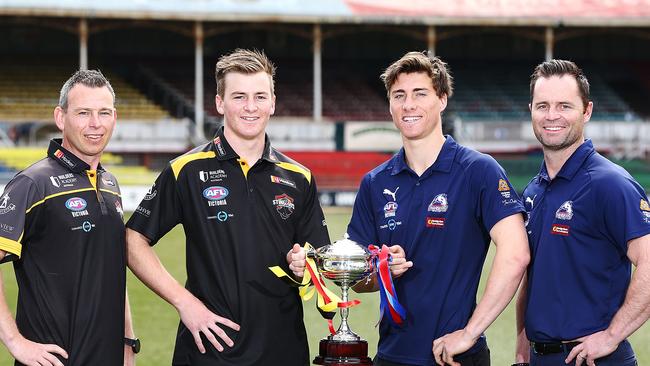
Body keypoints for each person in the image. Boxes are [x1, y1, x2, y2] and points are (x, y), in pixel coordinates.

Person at [292, 51, 530, 365]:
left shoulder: (478, 171)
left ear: (442, 99)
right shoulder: (374, 183)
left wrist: (471, 332)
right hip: (391, 356)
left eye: (420, 94)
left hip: (457, 355)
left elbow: (516, 254)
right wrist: (380, 271)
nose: (409, 105)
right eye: (399, 95)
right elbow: (361, 280)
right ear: (390, 104)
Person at [125, 48, 330, 365]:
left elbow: (321, 260)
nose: (251, 107)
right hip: (208, 351)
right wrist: (184, 303)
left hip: (282, 351)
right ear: (220, 103)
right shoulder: (187, 170)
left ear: (272, 103)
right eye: (239, 97)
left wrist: (306, 263)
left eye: (260, 96)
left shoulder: (299, 177)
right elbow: (133, 239)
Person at [514, 60, 650, 366]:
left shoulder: (610, 184)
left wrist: (612, 336)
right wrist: (522, 347)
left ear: (586, 111)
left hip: (594, 359)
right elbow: (533, 279)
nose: (552, 116)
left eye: (564, 105)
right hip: (539, 358)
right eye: (542, 105)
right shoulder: (534, 191)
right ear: (531, 110)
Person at [0, 70, 136, 365]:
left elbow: (112, 266)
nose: (95, 124)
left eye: (104, 113)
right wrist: (15, 342)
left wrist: (128, 340)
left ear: (115, 118)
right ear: (61, 118)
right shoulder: (33, 184)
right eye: (83, 113)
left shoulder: (110, 184)